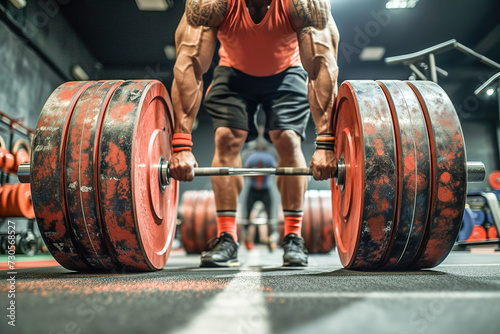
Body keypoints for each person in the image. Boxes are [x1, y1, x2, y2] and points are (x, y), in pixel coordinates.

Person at [170, 0, 339, 267]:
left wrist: (326, 143)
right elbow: (189, 63)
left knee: (287, 139)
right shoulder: (210, 4)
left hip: (288, 71)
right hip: (233, 72)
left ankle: (293, 236)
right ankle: (227, 236)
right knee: (226, 137)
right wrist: (181, 144)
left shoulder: (303, 4)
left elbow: (321, 66)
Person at [241, 137, 279, 251]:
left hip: (264, 189)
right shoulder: (257, 156)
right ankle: (248, 240)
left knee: (270, 216)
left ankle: (271, 240)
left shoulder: (255, 156)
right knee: (248, 217)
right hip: (254, 189)